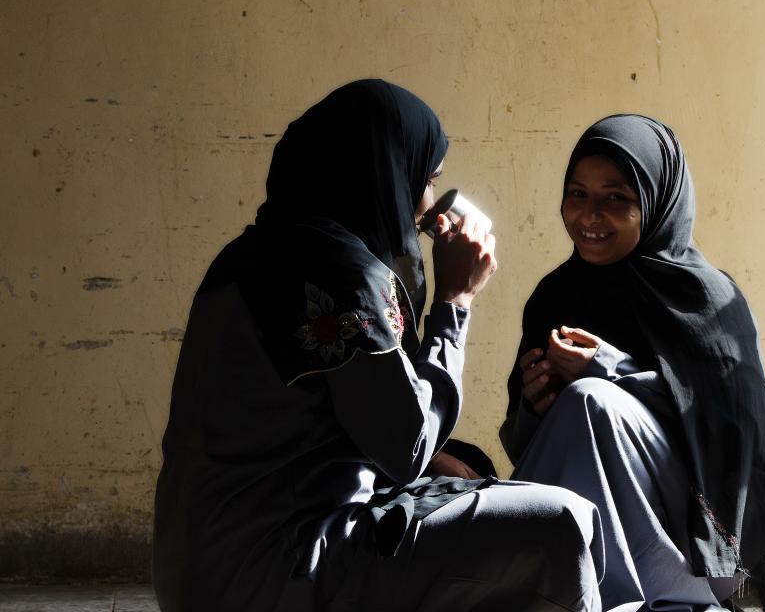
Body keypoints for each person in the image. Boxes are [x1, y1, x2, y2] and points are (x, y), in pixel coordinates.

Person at [152, 79, 605, 612]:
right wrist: (455, 301)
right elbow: (407, 446)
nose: (429, 205)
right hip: (279, 570)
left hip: (198, 572)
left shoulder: (247, 255)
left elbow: (338, 419)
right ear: (386, 174)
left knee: (464, 470)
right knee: (564, 523)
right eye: (426, 180)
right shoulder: (340, 272)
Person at [500, 114, 765, 611]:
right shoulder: (554, 296)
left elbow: (732, 440)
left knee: (591, 400)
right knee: (582, 406)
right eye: (577, 194)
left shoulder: (706, 298)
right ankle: (580, 585)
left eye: (615, 199)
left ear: (656, 202)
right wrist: (533, 411)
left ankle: (618, 591)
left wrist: (610, 370)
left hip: (699, 545)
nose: (589, 216)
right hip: (591, 526)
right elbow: (530, 455)